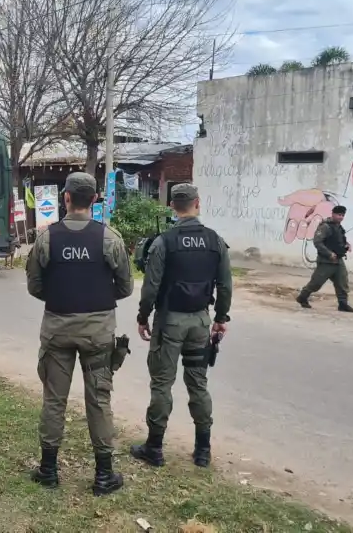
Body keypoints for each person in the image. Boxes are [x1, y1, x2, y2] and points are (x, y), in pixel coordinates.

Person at [25, 171, 134, 496]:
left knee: (54, 400)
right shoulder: (109, 238)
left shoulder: (46, 238)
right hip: (98, 334)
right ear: (95, 199)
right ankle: (104, 476)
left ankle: (48, 470)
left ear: (66, 198)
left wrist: (63, 297)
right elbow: (126, 287)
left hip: (57, 330)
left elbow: (34, 286)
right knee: (99, 401)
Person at [130, 183, 232, 468]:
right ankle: (203, 450)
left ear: (173, 206)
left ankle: (154, 448)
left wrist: (143, 316)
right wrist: (221, 318)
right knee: (198, 383)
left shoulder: (164, 242)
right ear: (197, 203)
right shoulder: (215, 241)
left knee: (162, 384)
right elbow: (225, 285)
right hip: (200, 321)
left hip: (169, 322)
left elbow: (150, 287)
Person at [296, 205, 353, 312]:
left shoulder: (339, 227)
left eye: (342, 215)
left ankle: (343, 304)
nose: (341, 217)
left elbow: (339, 240)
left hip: (338, 260)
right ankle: (302, 297)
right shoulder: (325, 226)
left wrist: (347, 245)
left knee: (342, 282)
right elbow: (317, 242)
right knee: (316, 283)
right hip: (326, 261)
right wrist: (329, 253)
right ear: (333, 214)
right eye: (339, 215)